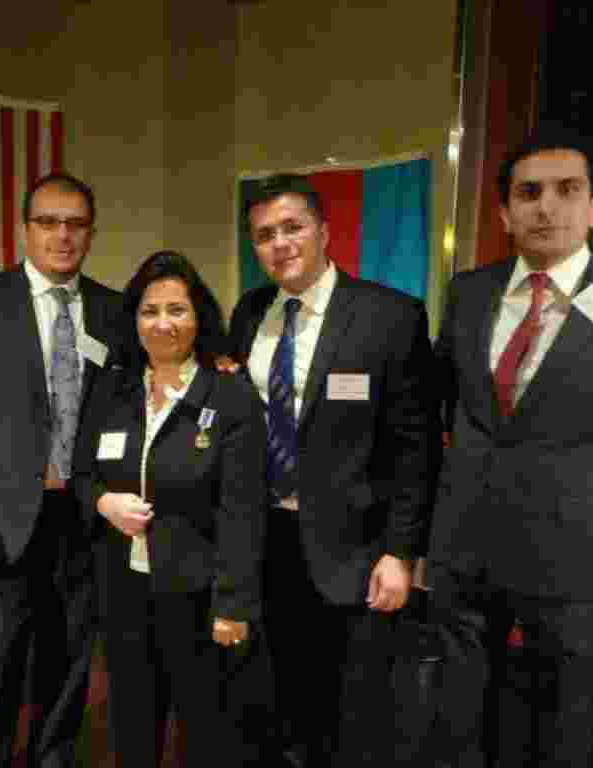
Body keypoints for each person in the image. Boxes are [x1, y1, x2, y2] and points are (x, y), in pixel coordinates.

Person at [429, 132, 593, 767]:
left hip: (572, 570)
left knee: (558, 744)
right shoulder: (469, 294)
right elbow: (443, 416)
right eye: (529, 192)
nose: (547, 207)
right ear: (505, 212)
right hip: (464, 558)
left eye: (566, 190)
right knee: (458, 732)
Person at [226, 174, 440, 767]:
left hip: (356, 547)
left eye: (292, 227)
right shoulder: (248, 316)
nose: (280, 243)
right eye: (264, 234)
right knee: (282, 693)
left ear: (324, 231)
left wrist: (401, 551)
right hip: (269, 539)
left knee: (355, 708)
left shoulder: (389, 316)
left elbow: (416, 447)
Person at [0, 172, 121, 767]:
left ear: (90, 231)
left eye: (75, 223)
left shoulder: (114, 311)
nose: (62, 235)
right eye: (48, 221)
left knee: (69, 654)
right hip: (1, 515)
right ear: (25, 228)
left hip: (84, 516)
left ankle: (53, 755)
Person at [73, 249, 267, 767]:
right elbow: (82, 474)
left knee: (205, 725)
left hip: (200, 594)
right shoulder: (112, 390)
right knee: (132, 719)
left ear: (198, 316)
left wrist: (233, 603)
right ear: (133, 319)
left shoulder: (229, 395)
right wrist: (103, 501)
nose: (163, 323)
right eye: (150, 311)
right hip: (124, 590)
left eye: (176, 309)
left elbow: (242, 511)